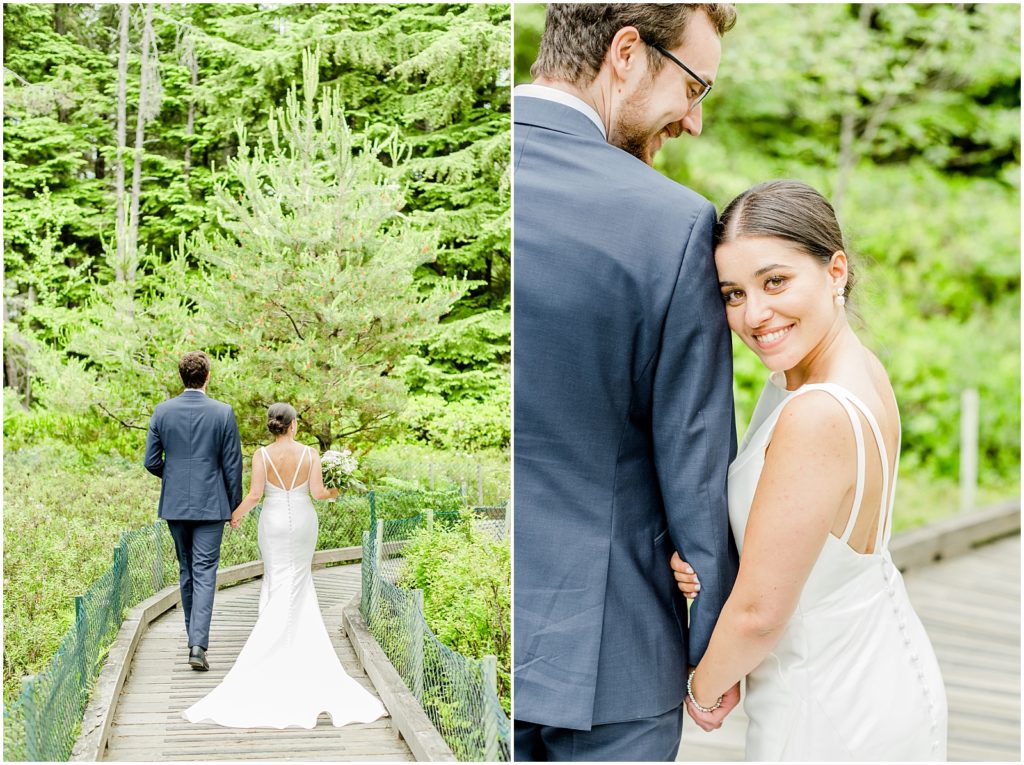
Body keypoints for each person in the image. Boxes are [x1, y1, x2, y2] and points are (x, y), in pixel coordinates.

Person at [513, 4, 740, 761]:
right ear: (625, 53)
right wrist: (713, 654)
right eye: (694, 87)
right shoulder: (672, 224)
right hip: (613, 658)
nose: (693, 121)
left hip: (455, 636)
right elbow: (696, 464)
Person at [671, 180, 948, 760]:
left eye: (775, 282)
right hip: (877, 668)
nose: (755, 314)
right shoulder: (852, 371)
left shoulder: (816, 413)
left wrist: (701, 691)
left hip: (827, 706)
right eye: (732, 294)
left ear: (835, 270)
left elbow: (759, 615)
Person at [183, 402, 388, 728]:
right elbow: (319, 493)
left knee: (277, 578)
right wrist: (338, 488)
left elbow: (254, 495)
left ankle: (273, 639)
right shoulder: (310, 454)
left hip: (274, 522)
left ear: (273, 426)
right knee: (300, 579)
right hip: (304, 521)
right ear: (293, 426)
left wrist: (235, 515)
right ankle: (295, 646)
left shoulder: (262, 456)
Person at [145, 351, 243, 672]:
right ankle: (197, 646)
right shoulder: (223, 413)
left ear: (181, 377)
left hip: (175, 505)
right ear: (208, 376)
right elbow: (232, 465)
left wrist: (173, 478)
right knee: (204, 573)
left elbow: (151, 461)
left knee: (186, 570)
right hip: (212, 506)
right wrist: (234, 505)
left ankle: (193, 638)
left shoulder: (162, 412)